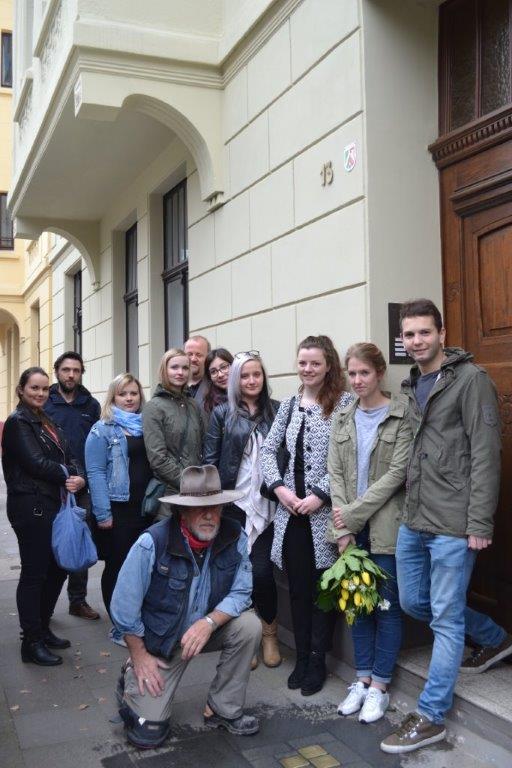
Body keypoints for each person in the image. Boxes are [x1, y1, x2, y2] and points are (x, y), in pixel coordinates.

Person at [380, 299, 511, 755]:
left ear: (441, 332)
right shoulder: (412, 381)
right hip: (415, 516)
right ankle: (495, 638)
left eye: (423, 332)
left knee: (447, 616)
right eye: (408, 335)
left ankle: (431, 716)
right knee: (415, 599)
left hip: (455, 522)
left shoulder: (470, 380)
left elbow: (485, 454)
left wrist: (479, 522)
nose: (416, 341)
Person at [111, 464, 261, 749]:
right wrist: (140, 654)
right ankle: (130, 677)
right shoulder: (151, 543)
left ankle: (223, 708)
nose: (208, 515)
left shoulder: (234, 535)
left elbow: (242, 591)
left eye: (215, 507)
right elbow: (123, 608)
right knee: (148, 734)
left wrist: (209, 623)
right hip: (161, 639)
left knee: (249, 625)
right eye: (198, 508)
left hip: (204, 628)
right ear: (182, 511)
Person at [261, 335, 353, 695]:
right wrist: (279, 488)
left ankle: (318, 660)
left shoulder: (344, 403)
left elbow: (348, 460)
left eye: (315, 363)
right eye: (302, 363)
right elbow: (269, 451)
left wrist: (320, 494)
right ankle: (301, 658)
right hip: (290, 515)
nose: (308, 369)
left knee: (322, 591)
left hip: (325, 517)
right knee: (298, 591)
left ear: (328, 364)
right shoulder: (288, 405)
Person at [327, 343, 412, 723]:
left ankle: (379, 686)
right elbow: (337, 475)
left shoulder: (402, 413)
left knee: (386, 608)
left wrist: (352, 517)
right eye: (353, 374)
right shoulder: (343, 416)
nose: (358, 381)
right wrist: (342, 528)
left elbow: (397, 474)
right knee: (358, 608)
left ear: (379, 373)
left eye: (365, 373)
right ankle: (360, 680)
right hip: (349, 530)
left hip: (385, 528)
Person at [1, 367, 85, 665]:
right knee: (35, 573)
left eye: (44, 389)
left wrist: (77, 476)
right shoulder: (17, 422)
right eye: (34, 388)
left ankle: (42, 626)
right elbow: (35, 463)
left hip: (53, 504)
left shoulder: (44, 420)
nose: (39, 393)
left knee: (57, 569)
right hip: (31, 507)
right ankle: (30, 642)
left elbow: (69, 454)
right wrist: (67, 475)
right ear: (21, 389)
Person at [203, 351, 280, 668]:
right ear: (236, 379)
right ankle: (244, 636)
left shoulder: (277, 410)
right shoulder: (222, 414)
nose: (251, 381)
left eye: (256, 375)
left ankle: (269, 634)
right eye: (245, 375)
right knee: (236, 572)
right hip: (233, 505)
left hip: (268, 504)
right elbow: (210, 460)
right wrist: (211, 506)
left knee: (262, 572)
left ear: (263, 377)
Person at [85, 374, 151, 644]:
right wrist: (103, 514)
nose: (129, 398)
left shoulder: (146, 425)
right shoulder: (102, 429)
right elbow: (95, 472)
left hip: (146, 510)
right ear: (113, 397)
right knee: (117, 567)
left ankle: (136, 617)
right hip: (117, 511)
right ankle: (120, 626)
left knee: (141, 568)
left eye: (134, 393)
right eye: (123, 394)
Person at [44, 350, 100, 621]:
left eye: (76, 370)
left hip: (82, 484)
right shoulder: (45, 402)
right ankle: (44, 604)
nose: (71, 375)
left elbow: (96, 448)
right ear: (57, 371)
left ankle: (77, 600)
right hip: (50, 483)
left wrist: (84, 479)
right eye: (66, 370)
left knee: (79, 539)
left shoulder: (91, 405)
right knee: (48, 542)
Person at [143, 348, 204, 519]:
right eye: (174, 367)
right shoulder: (153, 407)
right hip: (169, 495)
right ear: (164, 370)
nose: (180, 372)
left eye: (185, 368)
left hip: (197, 493)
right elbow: (157, 458)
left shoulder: (193, 405)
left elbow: (203, 446)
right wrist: (187, 482)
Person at [203, 347, 233, 417]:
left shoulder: (249, 394)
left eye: (224, 367)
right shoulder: (208, 405)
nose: (220, 375)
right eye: (213, 372)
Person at [184, 335, 210, 406]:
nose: (193, 359)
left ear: (208, 357)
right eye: (189, 354)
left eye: (199, 355)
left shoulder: (214, 388)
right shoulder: (175, 386)